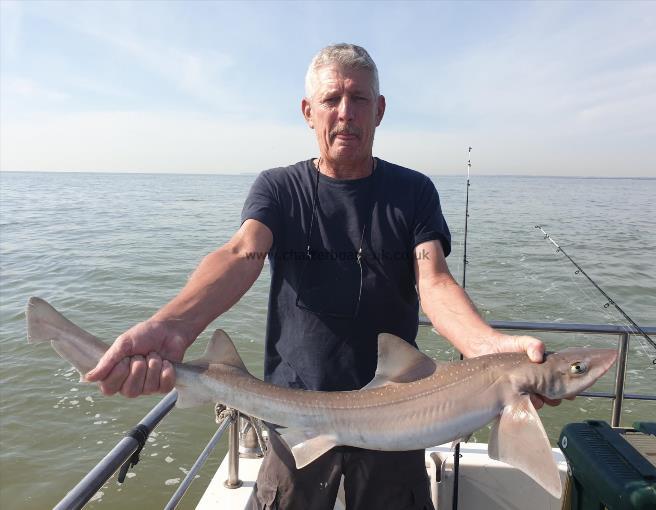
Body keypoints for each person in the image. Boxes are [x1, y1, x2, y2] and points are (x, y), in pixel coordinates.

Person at [86, 44, 563, 510]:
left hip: (400, 413)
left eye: (358, 100)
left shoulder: (412, 191)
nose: (345, 113)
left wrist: (484, 348)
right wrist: (174, 326)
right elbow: (242, 253)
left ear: (379, 110)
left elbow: (433, 281)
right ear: (308, 111)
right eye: (331, 100)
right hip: (295, 411)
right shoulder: (280, 188)